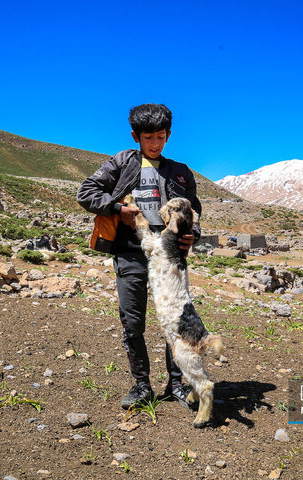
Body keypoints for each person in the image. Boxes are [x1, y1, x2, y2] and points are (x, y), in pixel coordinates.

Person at [77, 103, 202, 409]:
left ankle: (176, 385)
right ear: (135, 135)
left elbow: (194, 213)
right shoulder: (122, 162)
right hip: (130, 253)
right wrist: (119, 209)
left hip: (170, 257)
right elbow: (87, 191)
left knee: (175, 323)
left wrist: (192, 234)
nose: (155, 143)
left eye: (161, 136)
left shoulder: (181, 173)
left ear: (169, 135)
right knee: (132, 322)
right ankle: (142, 386)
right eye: (148, 137)